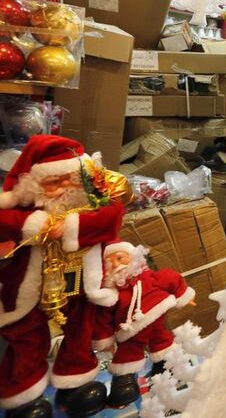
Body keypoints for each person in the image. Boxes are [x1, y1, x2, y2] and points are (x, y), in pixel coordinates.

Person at [0, 136, 128, 418]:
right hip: (32, 285)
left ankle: (77, 382)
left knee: (80, 329)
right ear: (34, 184)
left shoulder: (93, 202)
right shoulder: (26, 207)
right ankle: (25, 393)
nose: (64, 189)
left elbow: (113, 216)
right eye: (53, 182)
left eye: (70, 180)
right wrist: (33, 225)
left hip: (81, 280)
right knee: (26, 336)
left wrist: (71, 226)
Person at [98, 241, 194, 408]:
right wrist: (104, 339)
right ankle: (124, 386)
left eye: (120, 258)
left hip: (157, 321)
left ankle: (173, 368)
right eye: (110, 262)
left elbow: (170, 278)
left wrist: (184, 295)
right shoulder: (111, 295)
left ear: (133, 257)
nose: (116, 264)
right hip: (130, 332)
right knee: (128, 355)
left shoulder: (149, 277)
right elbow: (104, 317)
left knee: (164, 344)